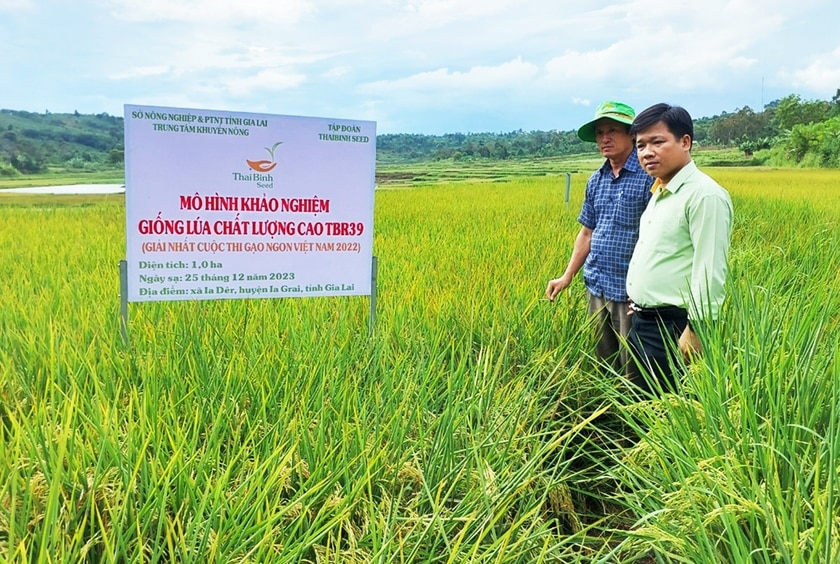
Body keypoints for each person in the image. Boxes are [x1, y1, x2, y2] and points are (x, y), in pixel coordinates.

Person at [625, 103, 733, 394]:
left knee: (667, 413)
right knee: (641, 404)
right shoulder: (661, 190)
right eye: (641, 145)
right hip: (643, 321)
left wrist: (695, 332)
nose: (647, 152)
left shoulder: (705, 196)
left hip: (675, 329)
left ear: (685, 142)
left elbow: (709, 272)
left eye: (658, 142)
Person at [545, 101, 653, 373]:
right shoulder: (596, 180)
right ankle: (605, 411)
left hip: (632, 292)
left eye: (612, 130)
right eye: (599, 133)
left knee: (634, 365)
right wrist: (566, 275)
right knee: (602, 362)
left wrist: (647, 290)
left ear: (631, 134)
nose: (604, 138)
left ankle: (634, 414)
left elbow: (660, 238)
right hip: (598, 285)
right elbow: (587, 232)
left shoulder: (649, 177)